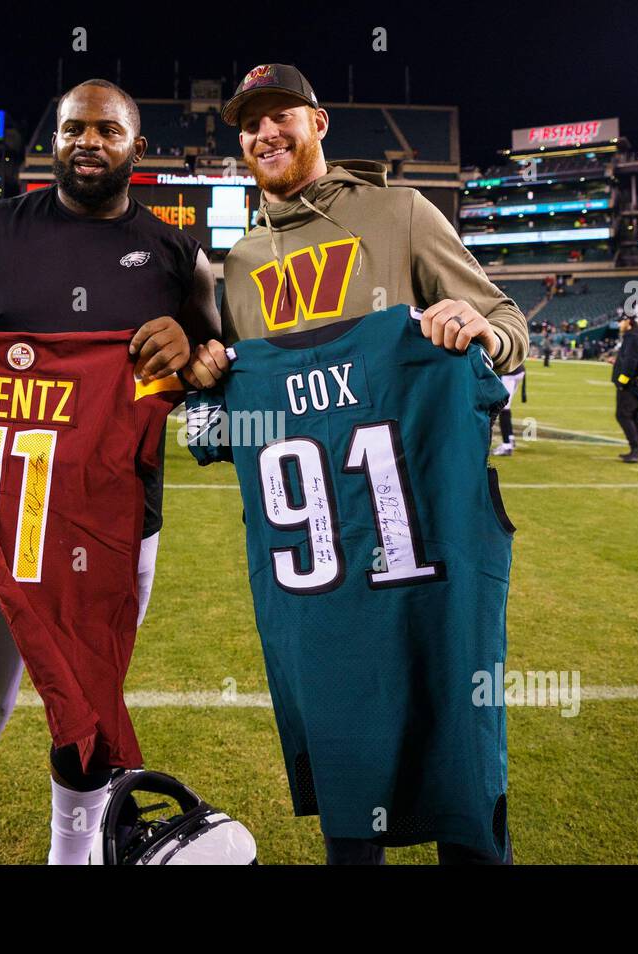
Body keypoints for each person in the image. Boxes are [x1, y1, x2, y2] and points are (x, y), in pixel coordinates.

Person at [0, 78, 219, 866]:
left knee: (88, 719)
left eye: (106, 130)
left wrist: (194, 351)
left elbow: (217, 358)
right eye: (71, 129)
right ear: (52, 142)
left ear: (137, 147)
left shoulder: (178, 255)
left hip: (115, 523)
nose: (87, 142)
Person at [188, 63, 527, 866]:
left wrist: (474, 328)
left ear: (319, 122)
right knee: (352, 808)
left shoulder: (400, 214)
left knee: (463, 786)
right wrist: (202, 388)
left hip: (427, 550)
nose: (266, 132)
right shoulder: (236, 266)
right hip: (318, 572)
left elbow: (507, 323)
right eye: (250, 123)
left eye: (283, 116)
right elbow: (214, 431)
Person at [612, 313, 638, 462]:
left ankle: (637, 449)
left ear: (628, 321)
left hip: (632, 384)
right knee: (635, 416)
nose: (618, 325)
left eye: (620, 321)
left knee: (623, 415)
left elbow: (630, 363)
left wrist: (622, 382)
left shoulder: (633, 337)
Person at [493, 362, 526, 456]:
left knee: (503, 409)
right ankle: (510, 438)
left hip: (508, 373)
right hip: (519, 370)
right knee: (506, 407)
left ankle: (507, 446)